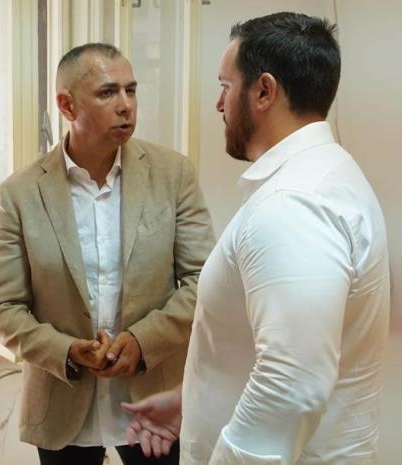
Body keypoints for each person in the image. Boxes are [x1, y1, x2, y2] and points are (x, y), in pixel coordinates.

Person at [122, 12, 390, 465]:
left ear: (264, 91)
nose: (218, 104)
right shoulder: (324, 176)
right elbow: (284, 347)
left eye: (225, 86)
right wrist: (194, 399)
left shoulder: (294, 204)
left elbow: (290, 385)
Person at [0, 43, 215, 465]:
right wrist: (66, 350)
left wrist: (143, 341)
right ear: (66, 105)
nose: (126, 105)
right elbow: (1, 307)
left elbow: (204, 280)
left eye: (131, 90)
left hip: (155, 396)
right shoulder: (19, 194)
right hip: (62, 398)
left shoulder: (172, 174)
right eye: (108, 92)